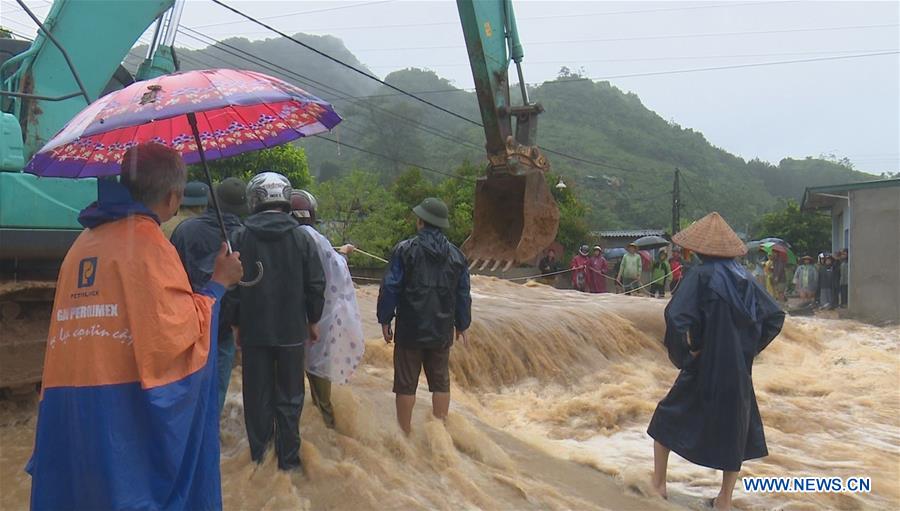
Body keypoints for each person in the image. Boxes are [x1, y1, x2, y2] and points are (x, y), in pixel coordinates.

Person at [27, 143, 244, 510]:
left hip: (69, 405)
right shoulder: (148, 245)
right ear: (174, 196)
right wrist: (219, 284)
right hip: (120, 412)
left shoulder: (82, 243)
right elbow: (176, 336)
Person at [647, 212, 785, 511]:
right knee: (734, 429)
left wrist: (685, 355)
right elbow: (775, 317)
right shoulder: (746, 277)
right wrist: (748, 349)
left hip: (706, 363)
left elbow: (676, 316)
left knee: (665, 418)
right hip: (737, 368)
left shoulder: (700, 275)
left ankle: (658, 485)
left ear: (698, 248)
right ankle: (724, 499)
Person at [232, 172, 326, 471]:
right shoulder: (301, 236)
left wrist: (235, 324)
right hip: (291, 330)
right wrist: (313, 320)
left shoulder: (239, 236)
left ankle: (260, 459)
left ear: (255, 199)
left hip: (254, 330)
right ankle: (289, 461)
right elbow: (315, 283)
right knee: (290, 396)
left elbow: (232, 287)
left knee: (256, 396)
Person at [377, 197, 472, 435]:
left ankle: (405, 435)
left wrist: (385, 319)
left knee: (406, 385)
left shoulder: (404, 250)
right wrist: (462, 324)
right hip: (441, 331)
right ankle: (439, 434)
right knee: (440, 382)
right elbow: (463, 294)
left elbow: (390, 287)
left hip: (410, 330)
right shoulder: (457, 256)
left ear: (421, 222)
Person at [171, 177, 247, 414]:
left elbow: (171, 276)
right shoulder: (243, 237)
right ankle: (208, 443)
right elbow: (244, 288)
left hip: (186, 325)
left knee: (182, 392)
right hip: (223, 327)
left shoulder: (184, 230)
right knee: (215, 396)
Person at [290, 190, 365, 429]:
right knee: (320, 380)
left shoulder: (282, 236)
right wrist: (343, 253)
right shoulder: (316, 239)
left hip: (283, 321)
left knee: (288, 387)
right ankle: (327, 432)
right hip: (316, 320)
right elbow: (336, 270)